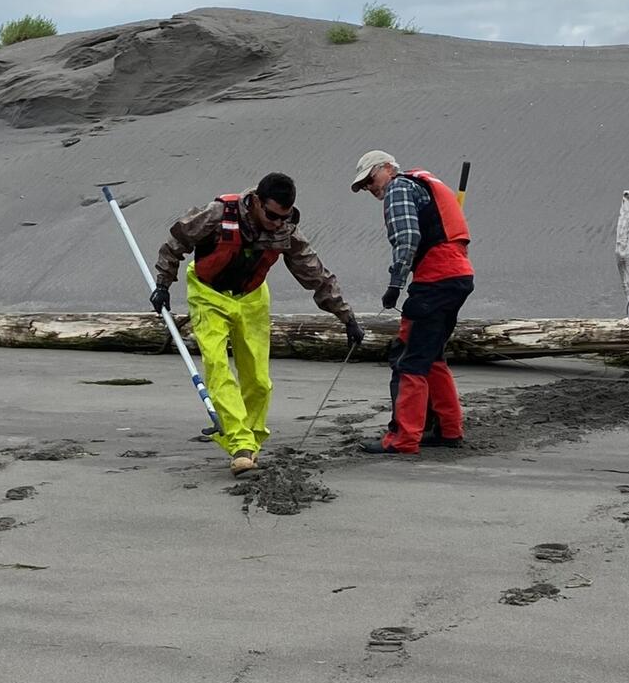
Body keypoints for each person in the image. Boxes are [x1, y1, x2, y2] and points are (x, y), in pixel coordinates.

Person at [152, 172, 365, 475]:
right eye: (273, 215)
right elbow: (176, 241)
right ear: (255, 202)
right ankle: (239, 443)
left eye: (285, 217)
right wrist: (163, 283)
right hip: (207, 294)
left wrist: (347, 317)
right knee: (217, 365)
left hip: (252, 299)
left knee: (259, 381)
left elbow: (314, 272)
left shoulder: (286, 230)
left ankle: (249, 441)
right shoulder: (218, 214)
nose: (278, 223)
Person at [349, 150, 474, 457]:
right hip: (458, 278)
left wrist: (395, 283)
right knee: (432, 356)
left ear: (388, 169)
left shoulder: (399, 187)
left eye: (370, 179)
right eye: (364, 185)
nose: (369, 187)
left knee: (409, 358)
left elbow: (407, 237)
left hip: (435, 281)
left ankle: (403, 438)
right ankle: (448, 429)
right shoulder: (421, 183)